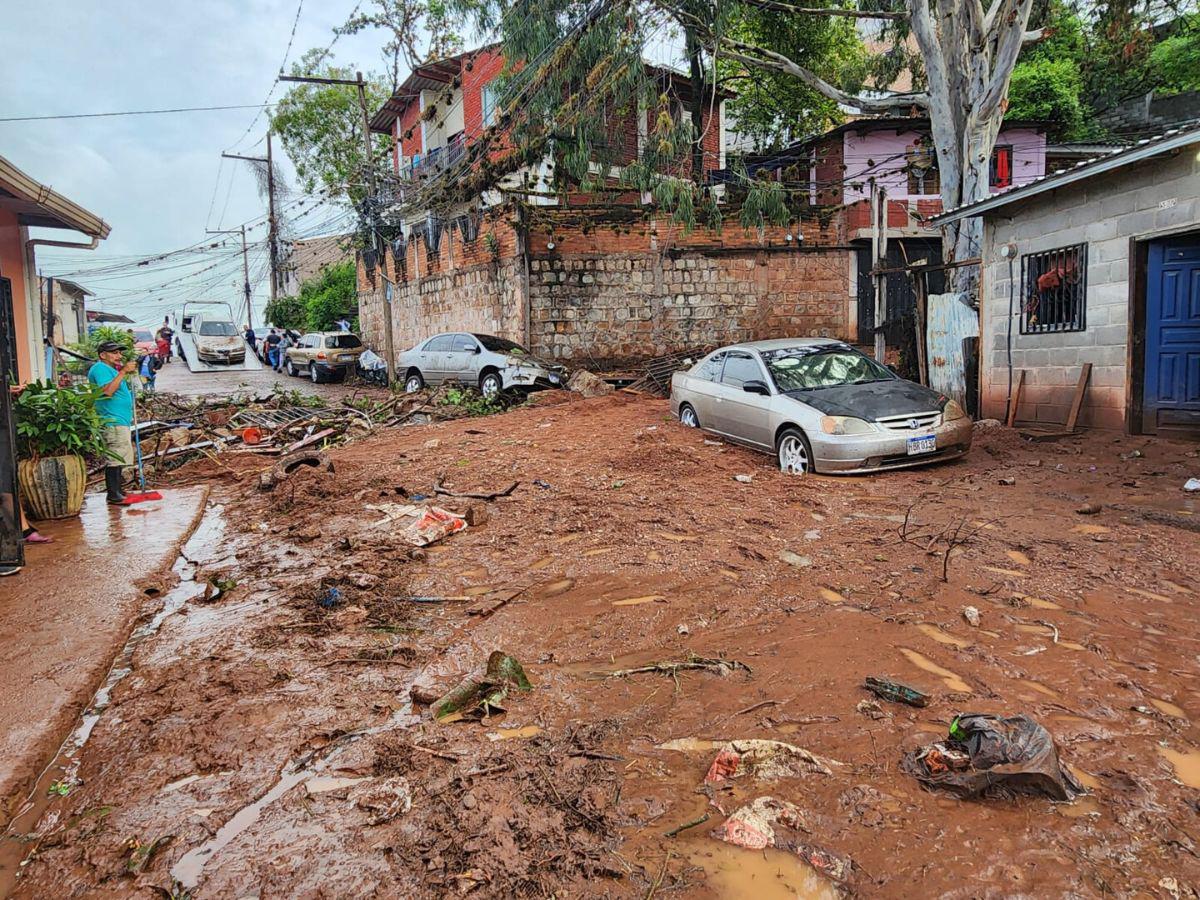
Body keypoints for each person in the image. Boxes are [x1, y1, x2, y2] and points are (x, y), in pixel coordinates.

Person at [88, 341, 137, 505]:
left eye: (119, 353)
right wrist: (123, 372)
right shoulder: (100, 368)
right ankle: (114, 494)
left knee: (121, 455)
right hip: (112, 420)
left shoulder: (110, 370)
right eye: (114, 352)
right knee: (115, 456)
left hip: (119, 420)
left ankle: (118, 490)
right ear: (103, 355)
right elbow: (108, 392)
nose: (119, 356)